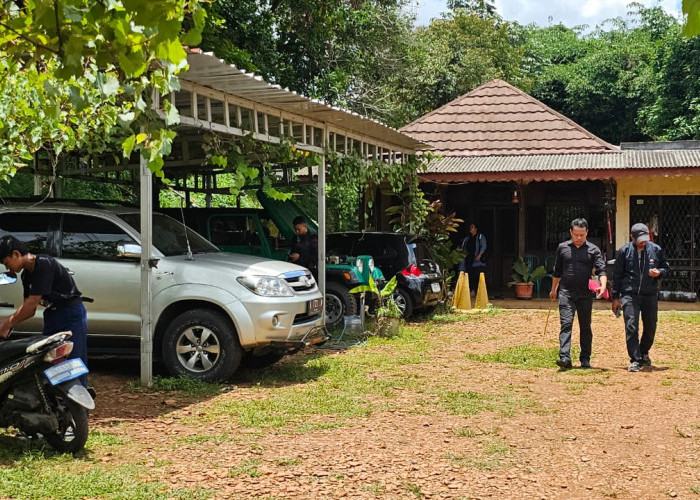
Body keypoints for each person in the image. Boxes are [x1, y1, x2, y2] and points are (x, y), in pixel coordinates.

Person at [0, 235, 89, 387]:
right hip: (52, 314)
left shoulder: (44, 264)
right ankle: (57, 404)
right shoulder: (27, 275)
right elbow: (28, 308)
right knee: (49, 359)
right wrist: (8, 322)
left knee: (73, 362)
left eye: (6, 263)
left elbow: (32, 303)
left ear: (15, 254)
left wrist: (7, 323)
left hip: (70, 313)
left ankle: (79, 408)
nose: (7, 268)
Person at [611, 223, 669, 373]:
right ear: (632, 237)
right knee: (631, 325)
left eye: (645, 238)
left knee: (651, 325)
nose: (643, 242)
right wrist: (615, 297)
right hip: (630, 294)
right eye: (640, 239)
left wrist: (659, 272)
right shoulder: (624, 251)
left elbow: (666, 267)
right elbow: (617, 275)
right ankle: (635, 359)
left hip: (649, 293)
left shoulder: (656, 250)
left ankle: (643, 352)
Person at [549, 218, 607, 369]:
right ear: (571, 232)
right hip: (566, 293)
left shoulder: (594, 250)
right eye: (576, 235)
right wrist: (553, 290)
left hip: (585, 295)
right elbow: (557, 271)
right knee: (566, 324)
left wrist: (603, 285)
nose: (579, 238)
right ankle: (564, 357)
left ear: (587, 232)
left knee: (585, 326)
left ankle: (585, 358)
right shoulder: (562, 248)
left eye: (582, 235)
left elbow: (602, 270)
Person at [458, 223, 487, 294]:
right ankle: (470, 290)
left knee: (476, 276)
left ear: (476, 229)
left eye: (472, 227)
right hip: (468, 259)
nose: (470, 228)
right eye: (470, 227)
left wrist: (479, 255)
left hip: (476, 261)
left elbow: (483, 246)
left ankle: (478, 292)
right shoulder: (467, 238)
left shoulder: (480, 237)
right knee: (468, 275)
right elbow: (463, 248)